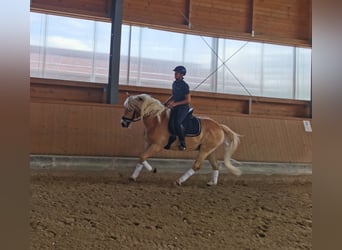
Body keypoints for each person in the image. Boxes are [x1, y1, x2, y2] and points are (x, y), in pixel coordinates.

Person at [164, 65, 191, 151]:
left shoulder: (185, 86)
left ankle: (182, 142)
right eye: (175, 73)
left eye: (177, 73)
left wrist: (176, 103)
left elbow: (188, 100)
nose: (175, 74)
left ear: (182, 74)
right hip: (175, 107)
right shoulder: (174, 83)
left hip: (183, 108)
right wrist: (166, 101)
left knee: (177, 123)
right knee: (170, 123)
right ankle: (173, 137)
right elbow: (174, 95)